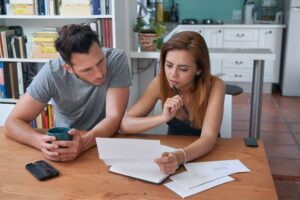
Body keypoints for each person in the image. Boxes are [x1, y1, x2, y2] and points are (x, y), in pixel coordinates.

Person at [4, 24, 132, 162]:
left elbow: (114, 117)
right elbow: (12, 123)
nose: (100, 73)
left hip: (105, 143)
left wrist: (83, 143)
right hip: (64, 148)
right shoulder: (52, 72)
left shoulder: (116, 59)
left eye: (100, 61)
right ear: (68, 68)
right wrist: (40, 142)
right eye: (87, 69)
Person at [120, 31, 225, 174]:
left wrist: (178, 157)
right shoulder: (160, 82)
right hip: (170, 157)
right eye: (168, 65)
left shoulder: (216, 86)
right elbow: (125, 125)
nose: (172, 74)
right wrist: (162, 118)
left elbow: (208, 139)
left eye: (183, 69)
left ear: (199, 69)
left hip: (203, 158)